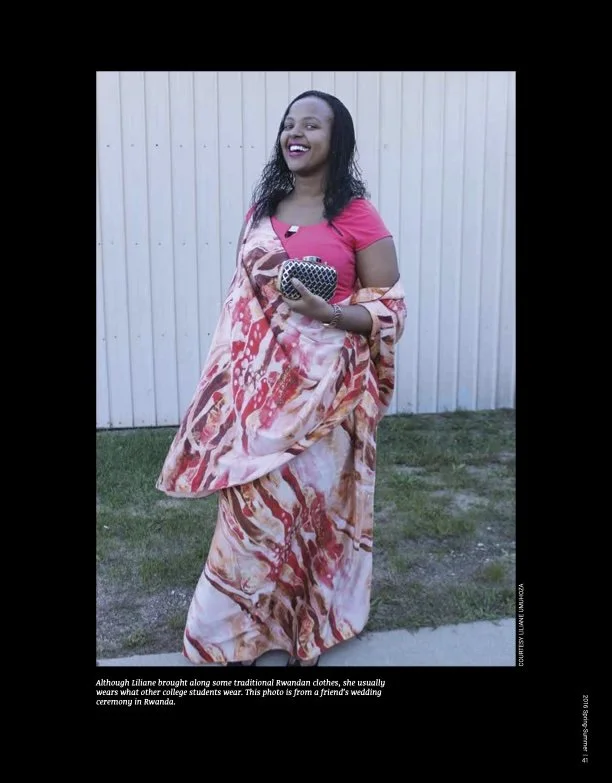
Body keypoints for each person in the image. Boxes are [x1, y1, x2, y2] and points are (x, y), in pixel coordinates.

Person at [156, 90, 406, 667]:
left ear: (335, 140)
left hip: (329, 397)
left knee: (311, 518)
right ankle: (229, 637)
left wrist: (329, 315)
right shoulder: (261, 212)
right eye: (288, 125)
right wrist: (230, 384)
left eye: (311, 125)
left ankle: (307, 633)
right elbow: (242, 311)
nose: (295, 133)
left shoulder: (357, 215)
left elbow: (390, 305)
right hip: (260, 395)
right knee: (249, 519)